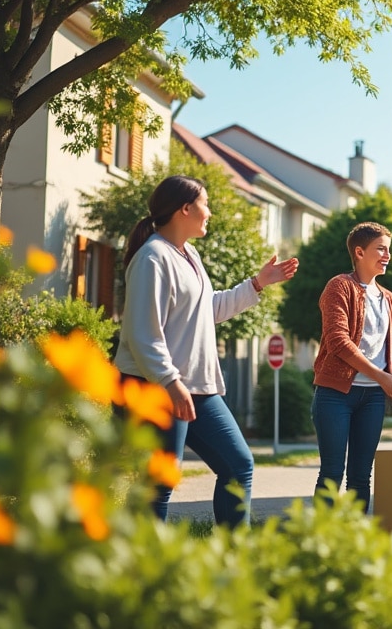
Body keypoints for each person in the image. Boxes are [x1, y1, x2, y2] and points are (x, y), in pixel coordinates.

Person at [114, 175, 299, 527]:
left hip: (194, 386)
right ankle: (141, 559)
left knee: (238, 465)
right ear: (185, 209)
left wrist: (258, 283)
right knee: (158, 484)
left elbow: (207, 309)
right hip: (155, 386)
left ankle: (232, 554)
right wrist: (171, 382)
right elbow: (142, 334)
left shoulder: (189, 255)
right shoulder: (152, 257)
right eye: (205, 204)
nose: (209, 212)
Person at [313, 222, 392, 511]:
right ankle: (322, 535)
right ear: (359, 252)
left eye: (389, 249)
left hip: (373, 398)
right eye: (381, 249)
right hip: (336, 395)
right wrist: (382, 377)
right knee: (332, 473)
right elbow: (338, 341)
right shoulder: (339, 286)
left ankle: (354, 534)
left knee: (361, 475)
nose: (388, 256)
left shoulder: (388, 298)